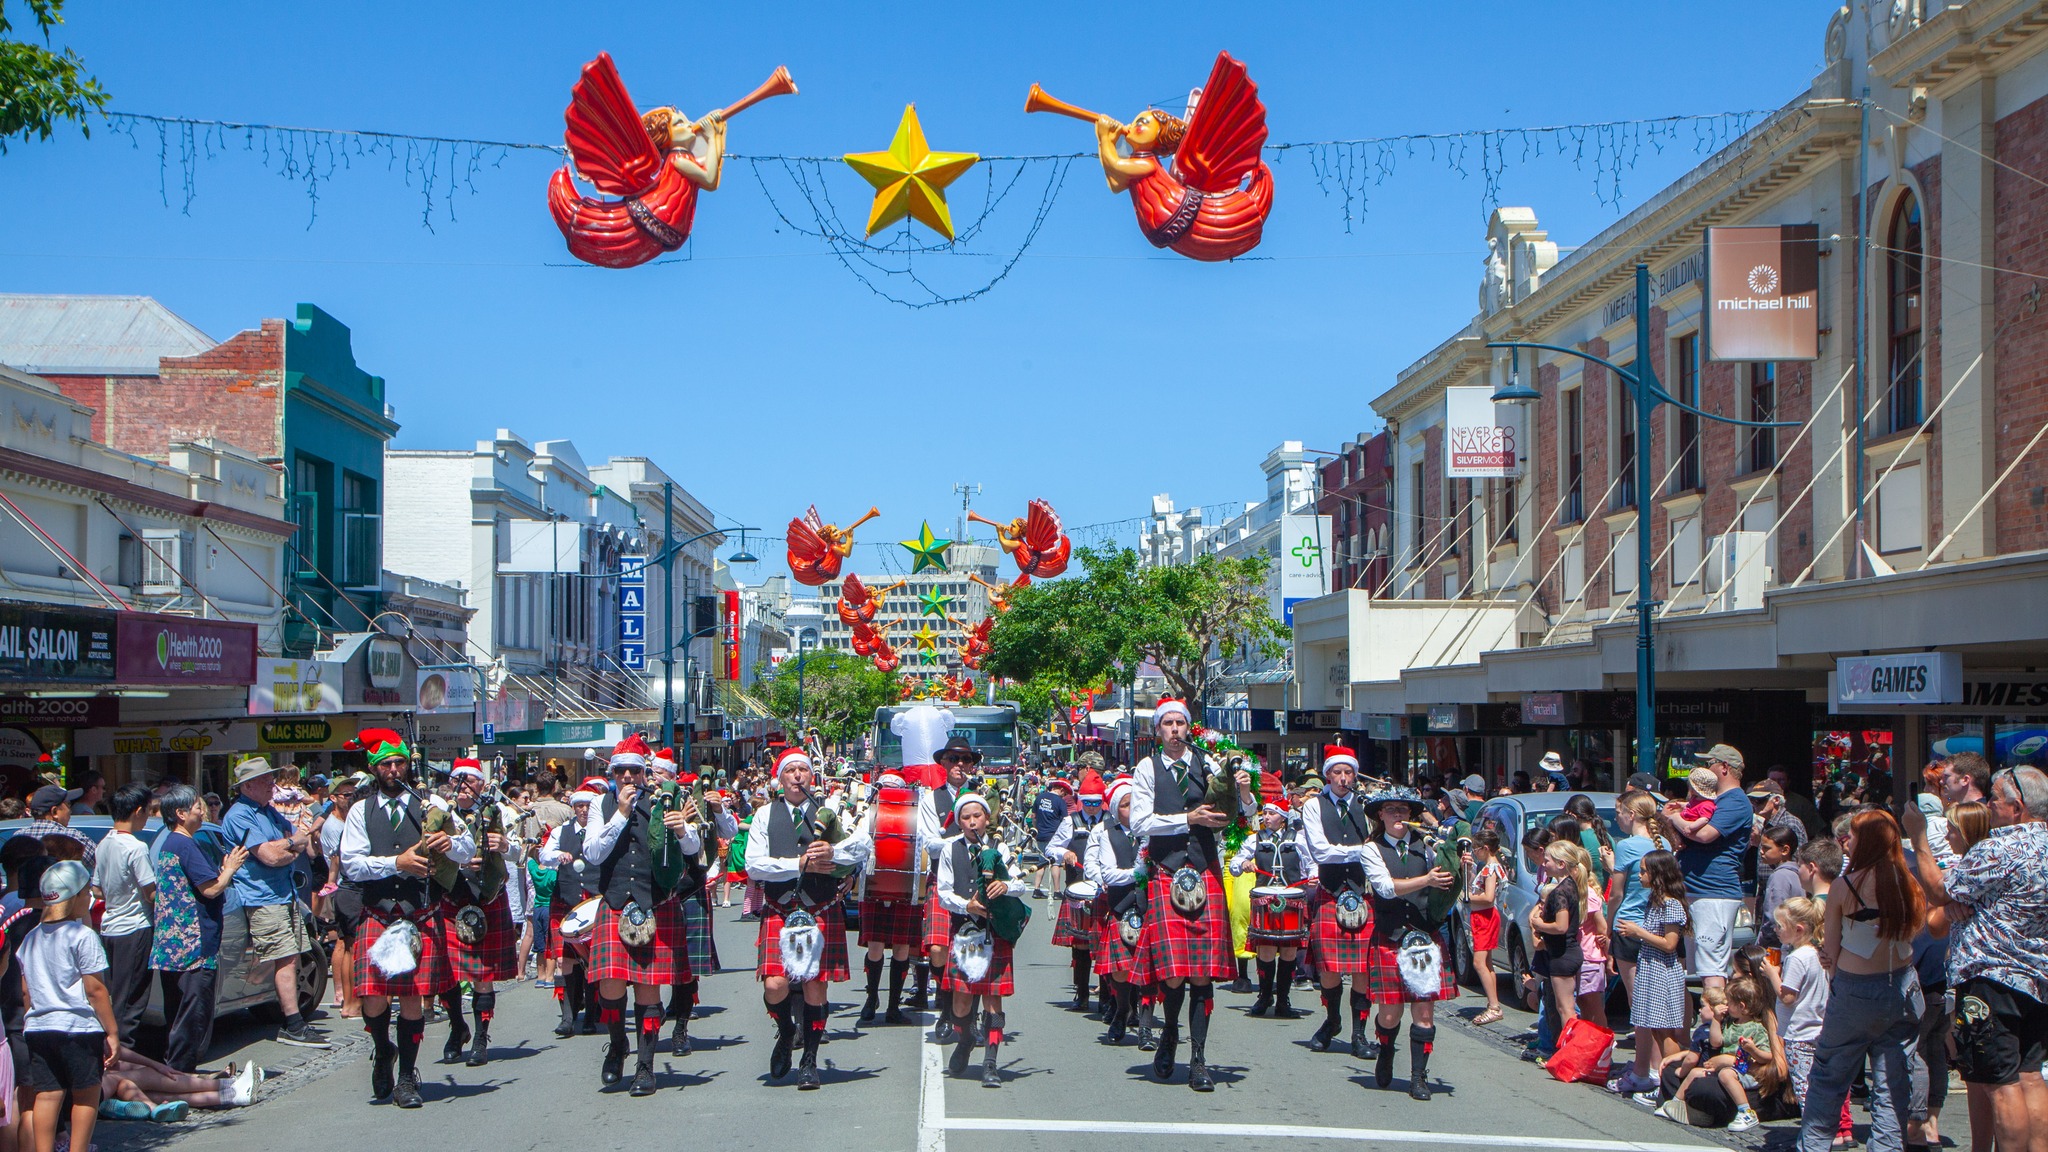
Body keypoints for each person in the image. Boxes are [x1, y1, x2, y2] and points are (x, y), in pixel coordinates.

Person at [1905, 765, 2048, 1152]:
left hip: (1991, 977)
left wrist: (1919, 836)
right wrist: (1959, 904)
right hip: (2036, 976)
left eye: (1996, 802)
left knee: (1999, 1084)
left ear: (2016, 807)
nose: (1990, 808)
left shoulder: (2000, 846)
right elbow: (1952, 902)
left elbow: (1938, 890)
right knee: (2031, 1076)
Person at [1129, 698, 1256, 1093]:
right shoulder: (1147, 769)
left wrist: (1246, 793)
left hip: (1205, 871)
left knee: (1201, 974)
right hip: (1167, 872)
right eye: (1166, 723)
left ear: (1188, 728)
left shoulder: (1209, 764)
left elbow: (1245, 815)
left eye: (1179, 723)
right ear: (1157, 730)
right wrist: (1189, 818)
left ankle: (1198, 1058)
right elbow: (1139, 823)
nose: (1173, 730)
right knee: (1172, 974)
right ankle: (1169, 1032)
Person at [339, 734, 473, 1108]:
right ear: (374, 768)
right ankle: (384, 1050)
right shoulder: (359, 812)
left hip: (421, 915)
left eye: (400, 763)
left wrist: (452, 843)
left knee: (413, 999)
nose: (394, 770)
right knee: (373, 999)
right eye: (386, 765)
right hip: (378, 914)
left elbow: (468, 847)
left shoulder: (431, 804)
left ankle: (406, 1079)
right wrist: (394, 864)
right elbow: (351, 863)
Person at [581, 735, 703, 1097]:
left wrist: (681, 828)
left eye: (636, 770)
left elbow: (694, 848)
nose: (630, 777)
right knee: (609, 987)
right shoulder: (600, 806)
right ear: (613, 774)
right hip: (616, 902)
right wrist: (620, 813)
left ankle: (645, 1067)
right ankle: (619, 1045)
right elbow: (593, 853)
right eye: (623, 772)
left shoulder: (665, 801)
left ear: (645, 772)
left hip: (655, 904)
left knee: (649, 992)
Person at [1801, 807, 1927, 1152]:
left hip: (1855, 990)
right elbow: (1915, 934)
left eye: (1853, 835)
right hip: (1901, 985)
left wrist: (1832, 961)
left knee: (1829, 1077)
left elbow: (1831, 949)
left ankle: (1813, 1146)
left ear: (1866, 841)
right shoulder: (1909, 882)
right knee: (1892, 1084)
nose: (1848, 841)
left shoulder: (1844, 886)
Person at [744, 748, 863, 1090]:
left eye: (803, 771)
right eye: (790, 771)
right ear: (779, 779)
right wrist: (797, 865)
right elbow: (753, 865)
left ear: (812, 777)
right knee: (775, 985)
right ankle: (785, 1031)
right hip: (781, 908)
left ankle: (810, 1060)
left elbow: (861, 847)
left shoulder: (831, 812)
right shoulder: (766, 814)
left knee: (815, 986)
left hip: (820, 908)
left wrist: (834, 853)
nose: (797, 776)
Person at [218, 758, 325, 1049]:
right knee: (285, 958)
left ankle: (290, 1017)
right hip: (262, 898)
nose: (273, 785)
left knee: (290, 956)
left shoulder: (268, 812)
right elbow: (270, 856)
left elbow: (297, 843)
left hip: (283, 893)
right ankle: (293, 1023)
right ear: (248, 785)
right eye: (266, 780)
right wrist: (289, 847)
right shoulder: (240, 815)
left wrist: (288, 847)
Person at [146, 787, 243, 1075]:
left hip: (172, 943)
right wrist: (231, 868)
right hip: (192, 944)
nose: (202, 811)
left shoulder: (169, 844)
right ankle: (180, 1075)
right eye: (196, 807)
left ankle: (175, 1072)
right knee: (192, 1014)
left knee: (177, 1012)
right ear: (180, 814)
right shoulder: (185, 844)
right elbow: (210, 888)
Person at [20, 861, 113, 1152]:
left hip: (38, 1028)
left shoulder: (30, 938)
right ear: (75, 897)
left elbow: (26, 992)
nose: (91, 897)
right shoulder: (83, 936)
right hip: (78, 1028)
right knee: (86, 1095)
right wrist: (111, 1031)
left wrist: (31, 1017)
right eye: (87, 891)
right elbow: (95, 989)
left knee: (47, 1095)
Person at [434, 760, 520, 1068]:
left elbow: (518, 851)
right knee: (446, 975)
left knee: (482, 975)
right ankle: (457, 1027)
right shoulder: (437, 812)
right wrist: (456, 862)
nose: (465, 787)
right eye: (460, 780)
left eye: (471, 781)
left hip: (486, 899)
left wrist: (506, 844)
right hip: (451, 898)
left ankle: (481, 1036)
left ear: (481, 785)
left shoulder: (496, 812)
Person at [1300, 746, 1381, 1059]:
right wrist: (1364, 852)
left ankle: (1359, 1035)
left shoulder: (1368, 806)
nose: (1344, 778)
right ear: (1328, 775)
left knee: (1363, 968)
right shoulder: (1313, 807)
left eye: (1349, 773)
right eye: (1338, 772)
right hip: (1330, 892)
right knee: (1329, 968)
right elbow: (1321, 852)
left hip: (1363, 894)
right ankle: (1333, 1019)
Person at [935, 793, 1015, 1087]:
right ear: (959, 821)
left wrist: (1006, 885)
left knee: (993, 1002)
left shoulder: (1001, 848)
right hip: (965, 933)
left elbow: (1018, 881)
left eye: (977, 816)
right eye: (966, 818)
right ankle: (966, 1039)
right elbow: (943, 891)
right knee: (960, 1005)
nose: (972, 822)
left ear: (986, 818)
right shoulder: (950, 850)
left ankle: (991, 1064)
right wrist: (965, 905)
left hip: (995, 933)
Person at [1664, 744, 1753, 992]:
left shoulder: (1735, 801)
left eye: (1709, 763)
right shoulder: (1710, 801)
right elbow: (1683, 838)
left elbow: (1704, 835)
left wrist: (1674, 818)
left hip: (1714, 894)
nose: (1704, 769)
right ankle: (1704, 1026)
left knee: (1711, 969)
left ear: (1724, 767)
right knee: (1694, 970)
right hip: (1694, 893)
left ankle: (1715, 1024)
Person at [1615, 850, 1689, 1100]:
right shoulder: (1655, 901)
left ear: (1658, 874)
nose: (1640, 875)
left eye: (1644, 871)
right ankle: (1659, 1080)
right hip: (1651, 967)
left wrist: (1638, 932)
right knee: (1654, 1028)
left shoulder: (1671, 904)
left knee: (1664, 1030)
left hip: (1663, 970)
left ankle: (1668, 1082)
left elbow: (1670, 943)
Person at [1230, 797, 1311, 1019]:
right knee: (1265, 949)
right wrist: (1243, 864)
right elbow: (1236, 863)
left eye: (1272, 814)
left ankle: (1283, 999)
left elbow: (1312, 864)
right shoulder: (1255, 839)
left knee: (1288, 950)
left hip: (1292, 900)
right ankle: (1264, 996)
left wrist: (1313, 877)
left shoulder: (1298, 839)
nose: (1266, 817)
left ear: (1283, 819)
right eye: (1264, 813)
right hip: (1265, 900)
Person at [855, 771, 924, 1027]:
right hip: (874, 881)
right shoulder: (867, 809)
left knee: (902, 948)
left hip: (906, 884)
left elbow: (922, 840)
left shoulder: (915, 810)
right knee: (875, 946)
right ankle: (871, 998)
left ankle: (893, 1005)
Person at [90, 784, 155, 1053]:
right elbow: (151, 893)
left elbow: (96, 888)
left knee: (117, 993)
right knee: (131, 1000)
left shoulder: (104, 843)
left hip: (110, 926)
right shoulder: (136, 847)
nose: (149, 817)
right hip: (135, 926)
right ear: (137, 811)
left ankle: (115, 1051)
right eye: (148, 812)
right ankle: (122, 1056)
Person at [1045, 770, 1109, 1014]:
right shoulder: (1070, 821)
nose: (1092, 808)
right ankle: (1081, 993)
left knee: (1104, 944)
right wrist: (1065, 853)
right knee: (1081, 945)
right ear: (1081, 801)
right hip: (1077, 889)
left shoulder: (1109, 821)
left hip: (1102, 890)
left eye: (1096, 802)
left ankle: (1105, 996)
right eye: (1088, 802)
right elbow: (1051, 848)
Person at [1464, 828, 1507, 1026]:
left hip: (1485, 916)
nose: (1475, 852)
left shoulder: (1491, 868)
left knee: (1479, 963)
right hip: (1482, 916)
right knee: (1487, 963)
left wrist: (1468, 898)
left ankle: (1494, 1005)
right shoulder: (1490, 866)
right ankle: (1493, 1003)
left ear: (1486, 848)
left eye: (1476, 849)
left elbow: (1489, 897)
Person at [1753, 824, 1804, 953]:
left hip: (1777, 948)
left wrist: (1761, 945)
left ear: (1785, 850)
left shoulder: (1779, 876)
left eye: (1766, 848)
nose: (1761, 852)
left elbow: (1773, 918)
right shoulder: (1797, 874)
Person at [17, 790, 91, 870]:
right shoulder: (74, 837)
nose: (70, 811)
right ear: (54, 811)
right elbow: (99, 863)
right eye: (68, 804)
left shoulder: (18, 838)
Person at [1029, 777, 1071, 899]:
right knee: (1055, 863)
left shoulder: (1040, 797)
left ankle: (1036, 889)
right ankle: (1057, 891)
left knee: (1041, 862)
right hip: (1054, 835)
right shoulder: (1060, 801)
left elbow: (1034, 816)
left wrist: (1036, 829)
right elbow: (1065, 820)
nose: (1064, 796)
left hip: (1041, 834)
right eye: (1065, 793)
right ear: (1061, 790)